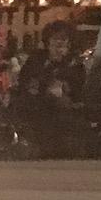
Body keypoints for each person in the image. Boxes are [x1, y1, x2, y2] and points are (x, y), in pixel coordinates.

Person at [10, 22, 92, 158]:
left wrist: (62, 80)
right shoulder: (37, 59)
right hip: (37, 103)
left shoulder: (75, 64)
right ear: (48, 41)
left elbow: (77, 87)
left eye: (63, 39)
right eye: (55, 39)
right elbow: (26, 79)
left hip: (62, 109)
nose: (59, 42)